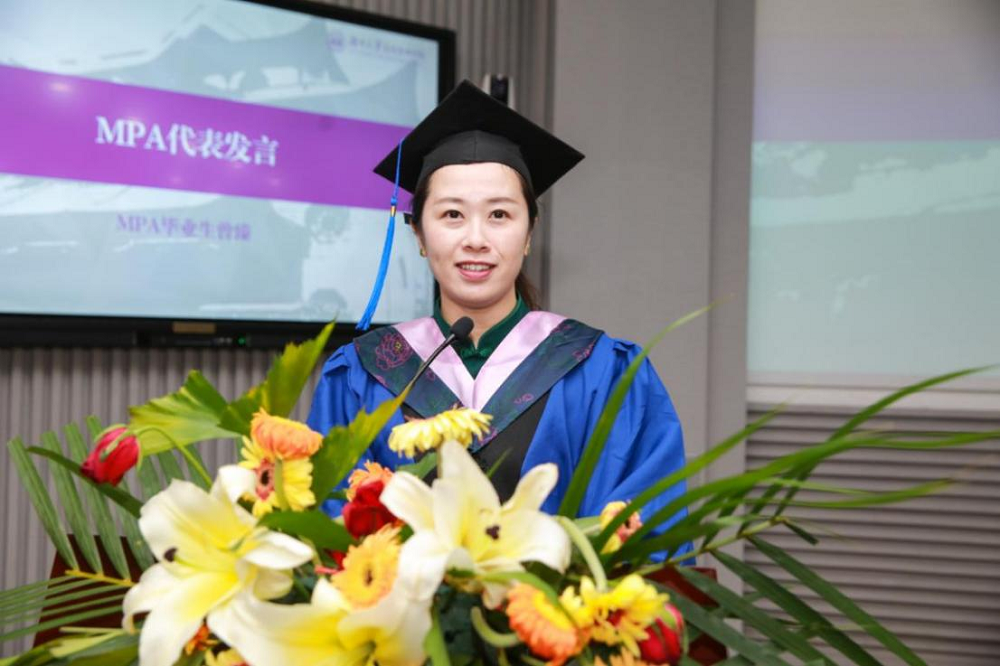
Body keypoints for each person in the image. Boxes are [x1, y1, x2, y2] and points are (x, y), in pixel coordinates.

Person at [307, 81, 689, 552]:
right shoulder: (361, 375)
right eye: (451, 215)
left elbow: (644, 531)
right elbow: (329, 531)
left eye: (500, 216)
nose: (476, 239)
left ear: (529, 233)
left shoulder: (603, 373)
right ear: (419, 234)